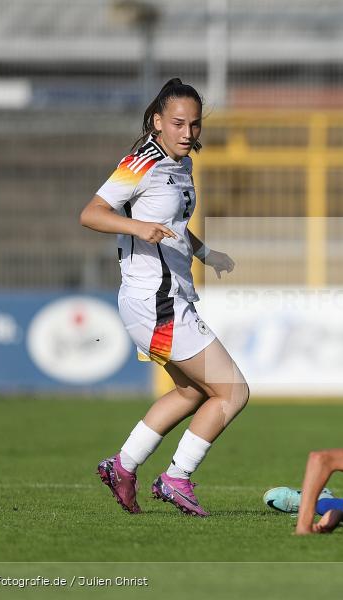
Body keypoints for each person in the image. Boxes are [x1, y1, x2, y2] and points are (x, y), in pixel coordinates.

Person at [80, 78, 249, 517]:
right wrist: (137, 228)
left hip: (166, 300)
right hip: (156, 302)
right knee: (232, 392)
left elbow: (169, 222)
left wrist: (205, 252)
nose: (188, 132)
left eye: (194, 124)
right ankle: (177, 477)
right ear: (157, 121)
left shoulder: (181, 164)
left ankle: (123, 465)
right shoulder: (141, 162)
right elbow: (92, 213)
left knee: (192, 393)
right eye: (177, 122)